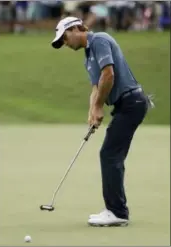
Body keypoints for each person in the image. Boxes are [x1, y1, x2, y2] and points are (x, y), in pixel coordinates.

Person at [51, 16, 151, 227]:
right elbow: (97, 87)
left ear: (77, 28)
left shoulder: (99, 40)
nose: (65, 44)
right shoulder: (88, 56)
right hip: (125, 105)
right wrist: (92, 111)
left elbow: (108, 74)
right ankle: (116, 209)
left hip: (131, 102)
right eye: (61, 42)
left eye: (65, 38)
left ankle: (117, 212)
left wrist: (98, 107)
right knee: (111, 154)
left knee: (109, 154)